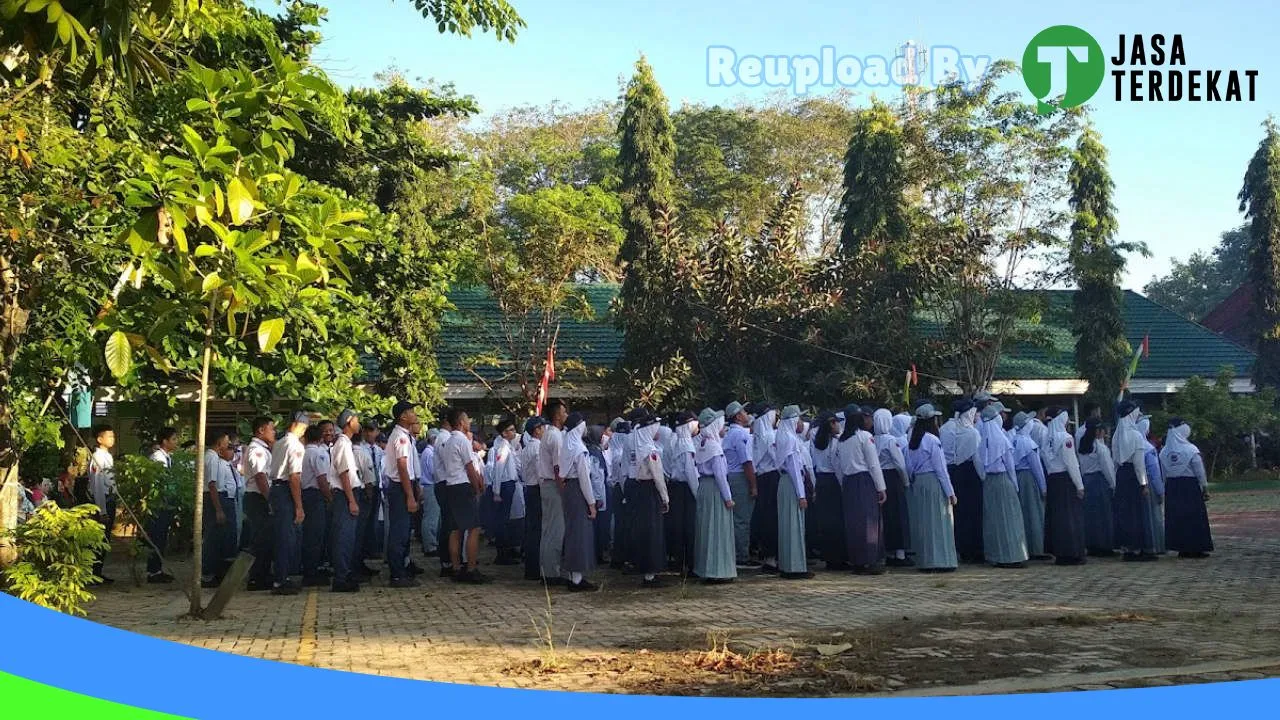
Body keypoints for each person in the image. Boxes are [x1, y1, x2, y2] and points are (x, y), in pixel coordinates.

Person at [438, 408, 490, 584]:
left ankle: (455, 568)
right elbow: (469, 467)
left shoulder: (448, 441)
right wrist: (477, 487)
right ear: (461, 422)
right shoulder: (462, 441)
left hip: (451, 485)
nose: (469, 421)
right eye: (467, 418)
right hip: (463, 486)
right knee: (473, 528)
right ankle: (471, 569)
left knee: (455, 530)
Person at [904, 403, 957, 573]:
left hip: (919, 482)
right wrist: (950, 492)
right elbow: (941, 469)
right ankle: (940, 560)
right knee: (939, 522)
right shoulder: (933, 440)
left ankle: (925, 560)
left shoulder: (912, 440)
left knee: (924, 523)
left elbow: (908, 466)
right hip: (933, 482)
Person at [977, 402, 1029, 568]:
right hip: (1003, 480)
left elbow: (978, 464)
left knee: (994, 521)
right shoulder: (1002, 440)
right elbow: (1010, 466)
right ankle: (1012, 555)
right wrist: (1015, 485)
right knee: (1010, 519)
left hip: (989, 483)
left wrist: (985, 477)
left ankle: (997, 555)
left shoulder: (981, 440)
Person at [838, 405, 886, 575]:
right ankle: (870, 560)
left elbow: (839, 467)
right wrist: (881, 487)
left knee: (853, 522)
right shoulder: (865, 437)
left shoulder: (841, 440)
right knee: (869, 521)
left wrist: (843, 482)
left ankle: (857, 560)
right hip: (864, 480)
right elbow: (873, 464)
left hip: (848, 481)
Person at [693, 408, 736, 584]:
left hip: (704, 487)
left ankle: (705, 567)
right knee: (718, 529)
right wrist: (728, 498)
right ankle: (719, 569)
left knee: (705, 528)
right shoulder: (715, 446)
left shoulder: (701, 443)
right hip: (715, 489)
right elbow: (720, 475)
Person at [1160, 418, 1213, 558]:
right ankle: (1196, 548)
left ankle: (1181, 547)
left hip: (1172, 487)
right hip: (1189, 487)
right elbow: (1199, 471)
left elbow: (1163, 473)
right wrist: (1205, 488)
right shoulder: (1191, 449)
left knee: (1178, 518)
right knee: (1193, 517)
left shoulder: (1164, 452)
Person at [1111, 401, 1157, 562]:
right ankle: (1141, 548)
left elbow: (1115, 458)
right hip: (1133, 476)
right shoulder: (1136, 435)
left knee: (1125, 513)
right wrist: (1143, 483)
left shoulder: (1117, 434)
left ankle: (1128, 548)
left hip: (1121, 475)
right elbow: (1139, 464)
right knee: (1137, 513)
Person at [383, 401, 421, 588]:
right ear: (402, 417)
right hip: (400, 487)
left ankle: (403, 568)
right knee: (399, 531)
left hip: (406, 485)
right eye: (410, 411)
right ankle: (397, 573)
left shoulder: (406, 436)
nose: (414, 414)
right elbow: (402, 467)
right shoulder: (401, 437)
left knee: (405, 530)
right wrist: (410, 495)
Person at [1042, 408, 1087, 566]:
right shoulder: (1066, 438)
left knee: (1057, 518)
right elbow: (1071, 463)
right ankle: (1072, 552)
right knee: (1070, 519)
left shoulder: (1047, 439)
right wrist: (1079, 485)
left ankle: (1060, 552)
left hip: (1053, 480)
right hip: (1065, 481)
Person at [630, 408, 669, 587]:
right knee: (653, 532)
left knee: (643, 530)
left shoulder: (638, 447)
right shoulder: (650, 449)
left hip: (639, 491)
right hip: (650, 491)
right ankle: (651, 574)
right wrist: (665, 497)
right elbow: (658, 476)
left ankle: (647, 571)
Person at [559, 412, 598, 591]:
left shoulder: (567, 446)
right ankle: (576, 579)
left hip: (568, 489)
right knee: (579, 534)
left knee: (572, 531)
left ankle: (573, 575)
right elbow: (584, 479)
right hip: (577, 491)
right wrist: (591, 503)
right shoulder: (579, 450)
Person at [942, 400, 984, 564]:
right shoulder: (972, 433)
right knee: (972, 513)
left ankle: (958, 547)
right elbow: (977, 458)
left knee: (957, 513)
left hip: (951, 472)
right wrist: (983, 478)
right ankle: (973, 549)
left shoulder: (945, 428)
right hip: (969, 474)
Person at [773, 405, 812, 580]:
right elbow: (795, 468)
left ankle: (787, 564)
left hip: (784, 483)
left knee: (786, 525)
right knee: (795, 524)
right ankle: (796, 566)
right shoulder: (791, 440)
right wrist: (801, 495)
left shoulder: (781, 437)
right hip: (792, 484)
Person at [328, 409, 363, 592]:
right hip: (344, 494)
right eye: (356, 419)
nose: (359, 422)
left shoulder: (346, 443)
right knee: (343, 537)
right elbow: (344, 474)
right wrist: (351, 500)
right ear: (349, 422)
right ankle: (341, 577)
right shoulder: (342, 444)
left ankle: (346, 572)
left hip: (347, 493)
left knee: (348, 537)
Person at [241, 417, 277, 591]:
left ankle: (263, 574)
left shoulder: (263, 449)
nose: (274, 432)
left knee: (267, 537)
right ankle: (256, 577)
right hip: (258, 497)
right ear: (261, 430)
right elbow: (261, 477)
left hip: (260, 497)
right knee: (260, 538)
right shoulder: (257, 450)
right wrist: (270, 500)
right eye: (271, 429)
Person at [198, 429, 237, 588]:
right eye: (227, 442)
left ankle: (217, 571)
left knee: (221, 537)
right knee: (213, 538)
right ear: (219, 443)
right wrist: (219, 509)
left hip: (219, 497)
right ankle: (208, 573)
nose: (228, 445)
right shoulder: (212, 458)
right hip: (216, 498)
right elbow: (212, 485)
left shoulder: (213, 457)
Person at [722, 401, 758, 569]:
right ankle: (741, 555)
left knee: (737, 518)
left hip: (732, 476)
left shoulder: (730, 433)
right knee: (742, 519)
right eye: (743, 411)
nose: (746, 413)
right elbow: (746, 462)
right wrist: (753, 485)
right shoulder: (740, 435)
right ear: (738, 416)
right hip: (740, 477)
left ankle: (738, 553)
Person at [873, 409, 912, 567]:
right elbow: (900, 464)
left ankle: (887, 551)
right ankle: (900, 554)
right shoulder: (891, 440)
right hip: (893, 478)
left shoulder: (872, 439)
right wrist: (906, 481)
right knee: (898, 515)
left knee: (885, 516)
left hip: (878, 478)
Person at [538, 399, 569, 585]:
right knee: (556, 530)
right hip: (553, 485)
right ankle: (551, 573)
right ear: (557, 415)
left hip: (547, 484)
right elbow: (558, 468)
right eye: (564, 412)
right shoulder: (555, 436)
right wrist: (563, 489)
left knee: (548, 529)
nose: (566, 416)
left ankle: (547, 569)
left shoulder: (548, 434)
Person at [810, 412, 846, 570]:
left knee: (825, 521)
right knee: (837, 521)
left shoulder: (817, 442)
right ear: (831, 424)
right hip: (833, 482)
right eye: (837, 422)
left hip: (821, 480)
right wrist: (843, 485)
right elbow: (837, 466)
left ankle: (829, 557)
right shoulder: (834, 443)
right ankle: (838, 558)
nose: (839, 425)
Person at [1010, 412, 1049, 560]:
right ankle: (1038, 548)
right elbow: (1037, 468)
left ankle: (1026, 546)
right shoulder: (1029, 443)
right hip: (1029, 478)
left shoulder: (1014, 440)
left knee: (1024, 514)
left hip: (1018, 478)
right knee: (1035, 514)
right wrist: (1043, 487)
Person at [665, 411, 700, 577]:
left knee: (677, 526)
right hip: (685, 489)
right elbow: (691, 473)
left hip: (674, 487)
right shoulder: (686, 444)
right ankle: (691, 564)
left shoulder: (673, 441)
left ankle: (679, 562)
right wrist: (697, 493)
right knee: (689, 527)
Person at [1077, 418, 1117, 557]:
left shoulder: (1082, 446)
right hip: (1099, 481)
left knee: (1090, 515)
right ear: (1098, 431)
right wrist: (1113, 484)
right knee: (1104, 515)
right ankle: (1105, 546)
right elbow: (1108, 468)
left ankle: (1092, 544)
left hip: (1086, 480)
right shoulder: (1100, 447)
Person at [299, 423, 333, 586]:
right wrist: (329, 498)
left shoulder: (303, 452)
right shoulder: (318, 454)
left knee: (310, 534)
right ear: (320, 437)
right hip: (315, 495)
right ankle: (311, 572)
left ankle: (310, 568)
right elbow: (322, 479)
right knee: (316, 534)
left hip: (305, 493)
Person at [144, 427, 179, 584]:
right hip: (159, 502)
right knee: (157, 536)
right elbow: (161, 481)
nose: (176, 442)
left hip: (166, 501)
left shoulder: (166, 457)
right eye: (173, 439)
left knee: (162, 536)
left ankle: (157, 569)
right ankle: (153, 571)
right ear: (164, 441)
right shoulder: (158, 457)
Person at [749, 404, 780, 573]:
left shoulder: (757, 437)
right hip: (771, 478)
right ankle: (772, 558)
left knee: (764, 518)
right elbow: (778, 459)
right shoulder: (769, 436)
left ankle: (768, 555)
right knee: (772, 519)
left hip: (761, 478)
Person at [88, 424, 117, 584]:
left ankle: (98, 572)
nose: (112, 439)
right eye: (109, 436)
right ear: (100, 439)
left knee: (105, 539)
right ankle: (93, 572)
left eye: (113, 436)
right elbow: (97, 485)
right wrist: (102, 510)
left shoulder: (108, 456)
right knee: (99, 539)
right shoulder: (98, 458)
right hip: (103, 500)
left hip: (110, 498)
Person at [490, 417, 521, 565]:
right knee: (502, 520)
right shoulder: (502, 447)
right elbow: (498, 469)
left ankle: (506, 549)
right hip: (504, 484)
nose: (514, 433)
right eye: (510, 430)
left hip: (509, 483)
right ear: (503, 433)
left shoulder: (507, 445)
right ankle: (502, 552)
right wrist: (496, 491)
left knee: (507, 518)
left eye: (514, 429)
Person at [520, 416, 548, 580]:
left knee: (532, 529)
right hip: (536, 489)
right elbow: (540, 472)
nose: (545, 430)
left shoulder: (527, 448)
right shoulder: (537, 448)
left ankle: (532, 567)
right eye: (543, 427)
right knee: (537, 530)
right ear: (537, 430)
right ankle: (535, 568)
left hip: (529, 488)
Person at [353, 421, 381, 578]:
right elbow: (368, 479)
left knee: (368, 527)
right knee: (360, 529)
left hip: (374, 489)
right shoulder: (360, 451)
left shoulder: (376, 450)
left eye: (374, 431)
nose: (371, 434)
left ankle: (361, 560)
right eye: (368, 431)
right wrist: (369, 495)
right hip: (365, 491)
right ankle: (357, 563)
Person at [1137, 415, 1166, 554]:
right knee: (1155, 515)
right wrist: (1160, 491)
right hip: (1149, 484)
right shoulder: (1149, 448)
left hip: (1137, 483)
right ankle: (1157, 545)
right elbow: (1155, 473)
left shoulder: (1132, 445)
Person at [431, 416, 455, 576]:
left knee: (449, 522)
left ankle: (449, 559)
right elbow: (451, 462)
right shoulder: (445, 438)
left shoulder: (445, 437)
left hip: (445, 483)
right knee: (448, 523)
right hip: (445, 484)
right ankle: (447, 561)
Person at [586, 425, 611, 565]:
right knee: (599, 526)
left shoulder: (592, 451)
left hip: (595, 491)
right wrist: (599, 497)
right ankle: (598, 554)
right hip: (598, 492)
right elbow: (597, 476)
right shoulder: (595, 453)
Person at [418, 429, 439, 560]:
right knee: (431, 517)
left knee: (432, 517)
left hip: (429, 486)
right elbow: (434, 472)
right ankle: (430, 545)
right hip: (430, 486)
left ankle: (430, 543)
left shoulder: (428, 452)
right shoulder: (430, 453)